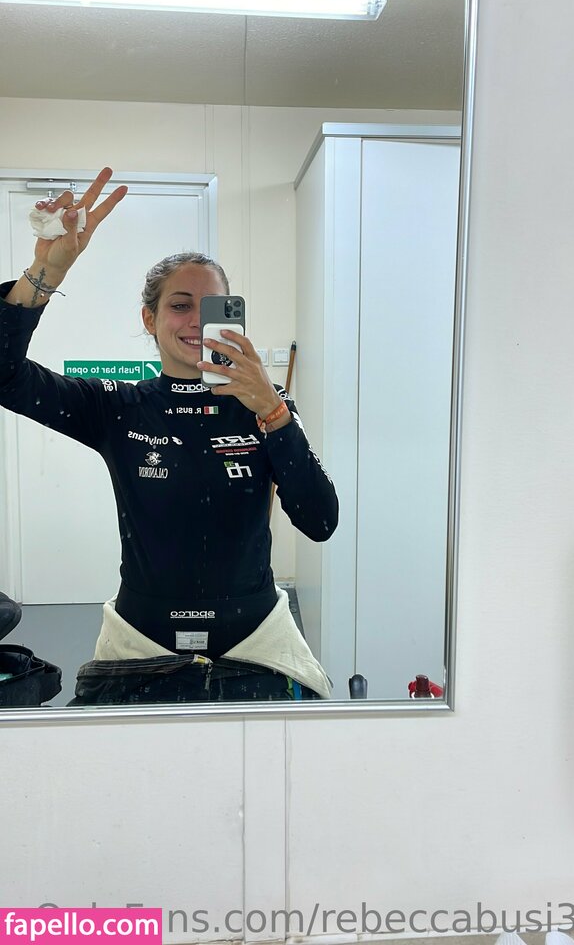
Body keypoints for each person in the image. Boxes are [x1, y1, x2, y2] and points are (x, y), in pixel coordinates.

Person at [0, 168, 338, 704]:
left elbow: (320, 522)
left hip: (257, 640)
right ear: (149, 317)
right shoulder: (117, 406)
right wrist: (46, 272)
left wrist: (274, 412)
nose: (195, 322)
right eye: (180, 305)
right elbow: (5, 376)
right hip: (140, 641)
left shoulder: (265, 407)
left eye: (213, 308)